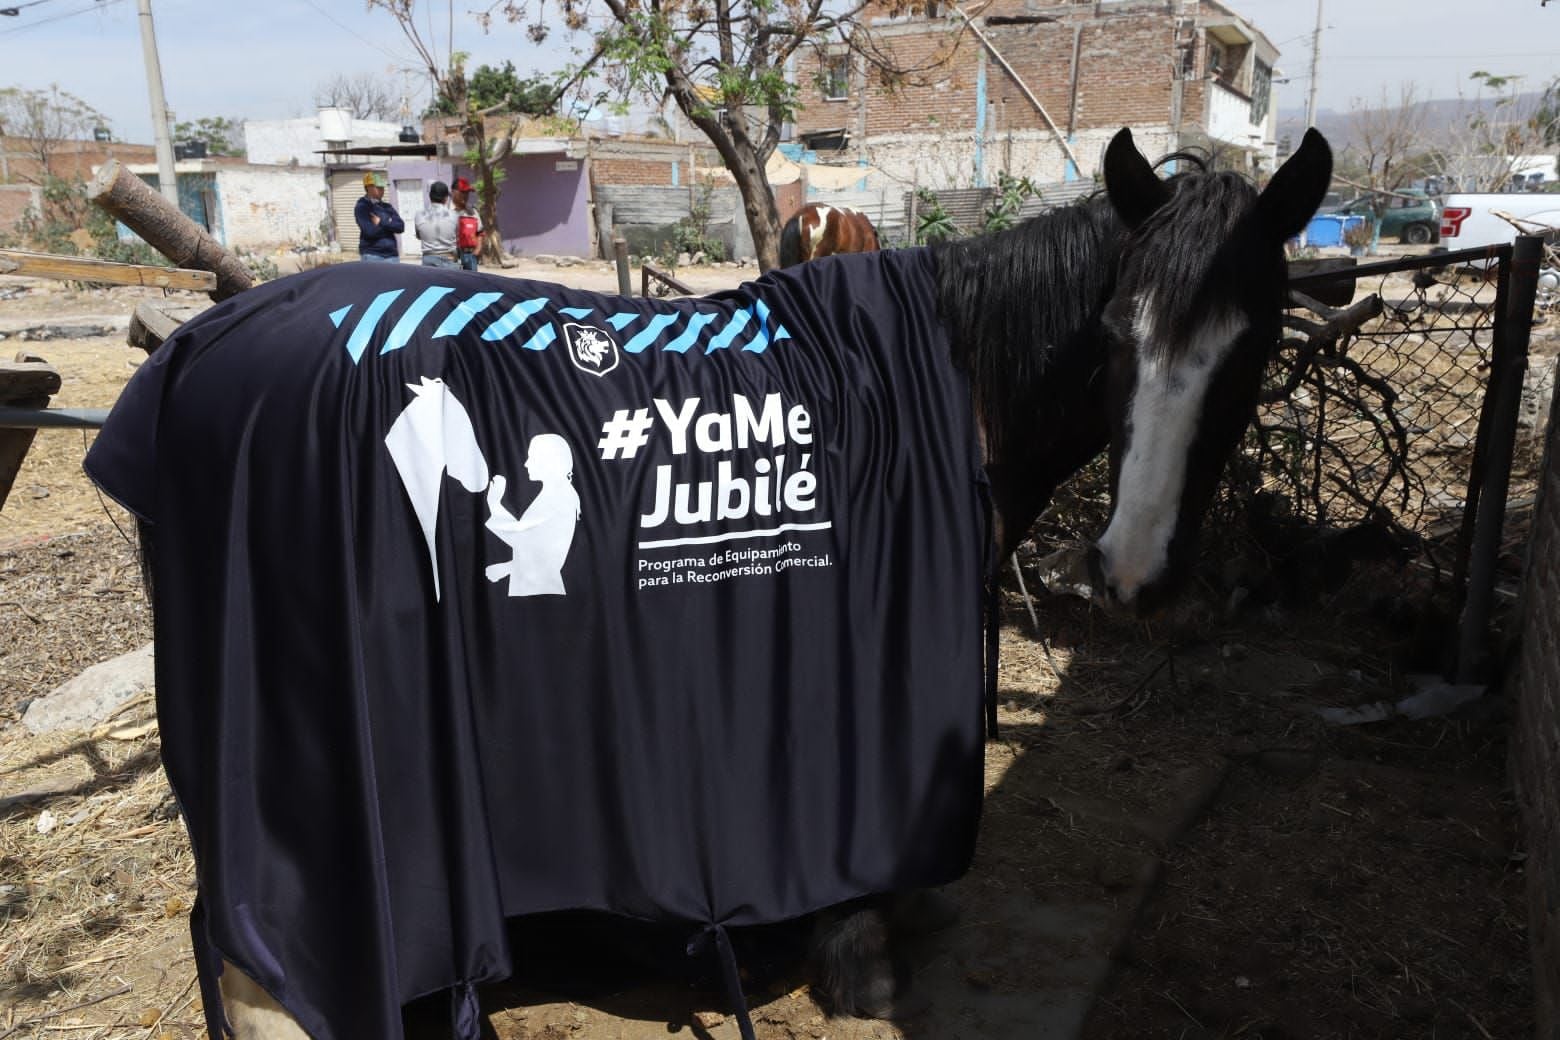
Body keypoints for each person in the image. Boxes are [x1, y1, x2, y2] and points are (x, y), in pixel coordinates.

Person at [355, 172, 404, 263]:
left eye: (383, 187)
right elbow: (370, 232)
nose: (382, 190)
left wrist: (381, 222)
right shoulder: (362, 207)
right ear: (368, 188)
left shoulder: (387, 206)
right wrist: (390, 223)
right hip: (372, 255)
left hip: (392, 255)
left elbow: (400, 227)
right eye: (379, 187)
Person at [413, 181, 459, 269]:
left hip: (428, 260)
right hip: (449, 260)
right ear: (446, 198)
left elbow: (419, 236)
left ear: (430, 197)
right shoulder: (454, 215)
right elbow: (457, 235)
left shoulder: (419, 215)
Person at [452, 176, 482, 272]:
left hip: (470, 256)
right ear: (453, 192)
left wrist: (478, 248)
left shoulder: (473, 212)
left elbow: (480, 232)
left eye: (467, 193)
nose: (466, 195)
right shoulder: (446, 212)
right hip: (452, 257)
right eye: (463, 192)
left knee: (471, 284)